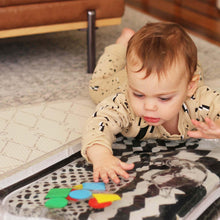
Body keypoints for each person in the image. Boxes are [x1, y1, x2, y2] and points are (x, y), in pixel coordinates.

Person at [81, 22, 220, 184]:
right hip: (124, 81)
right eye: (139, 95)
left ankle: (192, 68)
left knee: (191, 72)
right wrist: (101, 156)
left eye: (163, 98)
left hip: (183, 79)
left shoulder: (201, 100)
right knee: (96, 87)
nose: (149, 107)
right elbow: (98, 123)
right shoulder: (124, 103)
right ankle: (121, 47)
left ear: (190, 87)